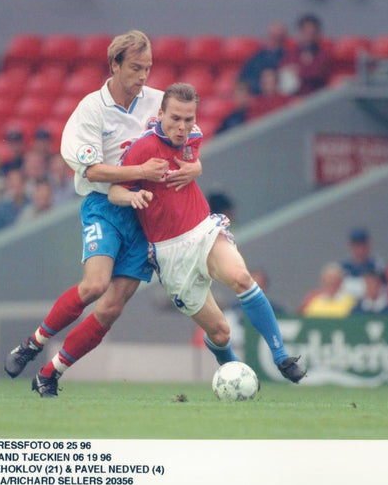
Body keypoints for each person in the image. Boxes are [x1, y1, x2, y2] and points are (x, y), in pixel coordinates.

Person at [3, 30, 201, 397]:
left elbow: (189, 138)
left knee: (111, 308)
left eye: (148, 68)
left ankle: (49, 372)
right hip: (106, 206)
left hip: (146, 216)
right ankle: (32, 343)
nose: (143, 76)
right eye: (136, 68)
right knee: (95, 285)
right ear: (114, 64)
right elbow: (91, 171)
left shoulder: (159, 102)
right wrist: (140, 172)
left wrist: (196, 166)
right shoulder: (91, 111)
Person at [108, 83, 305, 382]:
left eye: (189, 119)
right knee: (220, 332)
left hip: (203, 230)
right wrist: (132, 196)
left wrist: (196, 166)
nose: (183, 126)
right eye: (175, 118)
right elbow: (114, 191)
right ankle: (234, 373)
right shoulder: (142, 149)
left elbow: (191, 156)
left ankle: (281, 357)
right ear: (160, 114)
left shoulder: (194, 136)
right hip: (170, 253)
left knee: (241, 278)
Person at [279, 13, 332, 97]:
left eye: (312, 32)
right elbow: (283, 71)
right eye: (306, 31)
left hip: (315, 97)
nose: (309, 35)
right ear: (301, 32)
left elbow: (317, 74)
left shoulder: (324, 55)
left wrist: (298, 71)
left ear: (317, 33)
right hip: (293, 98)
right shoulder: (291, 54)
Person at [238, 21, 291, 95]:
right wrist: (262, 86)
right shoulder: (256, 58)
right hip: (258, 96)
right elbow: (243, 79)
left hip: (280, 97)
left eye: (279, 37)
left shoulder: (290, 57)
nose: (275, 41)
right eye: (273, 37)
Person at [340, 227, 386, 298]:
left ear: (368, 245)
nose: (359, 250)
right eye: (356, 246)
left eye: (362, 245)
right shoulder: (343, 268)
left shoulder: (376, 266)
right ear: (350, 246)